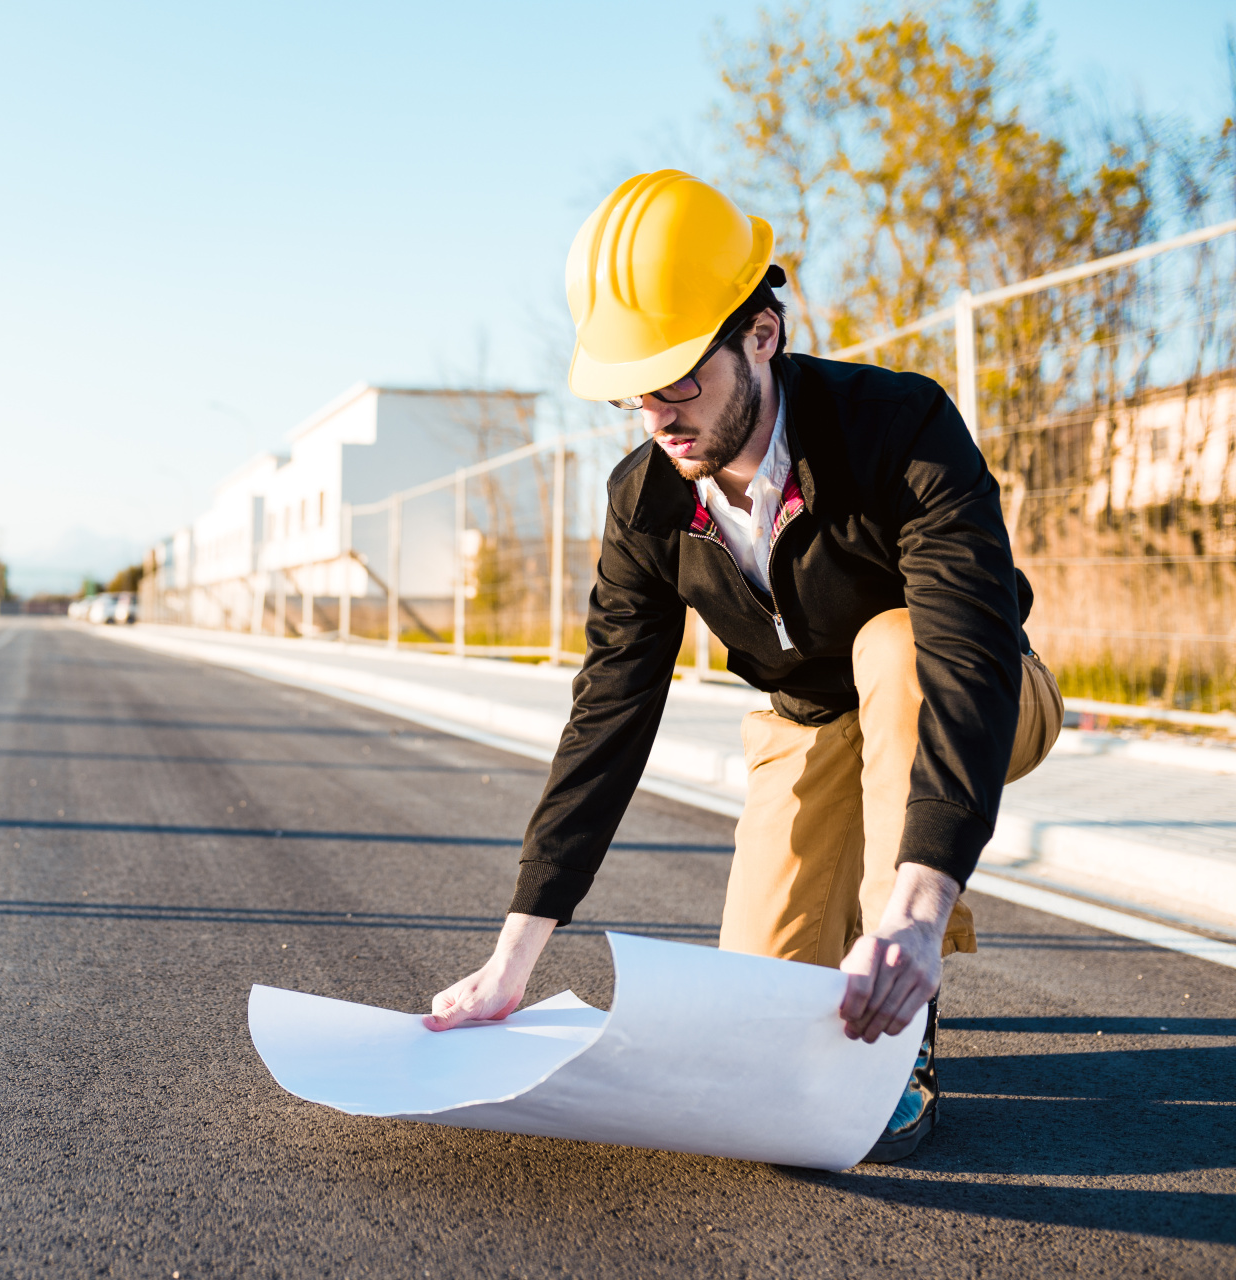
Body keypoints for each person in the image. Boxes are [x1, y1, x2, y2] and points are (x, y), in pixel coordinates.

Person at [424, 170, 1063, 1163]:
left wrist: (920, 906)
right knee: (764, 1019)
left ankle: (906, 1005)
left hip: (980, 691)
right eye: (636, 390)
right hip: (808, 719)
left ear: (760, 334)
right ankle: (858, 963)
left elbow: (966, 647)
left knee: (892, 645)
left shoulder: (898, 428)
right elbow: (609, 710)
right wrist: (517, 951)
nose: (659, 414)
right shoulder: (644, 502)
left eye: (682, 376)